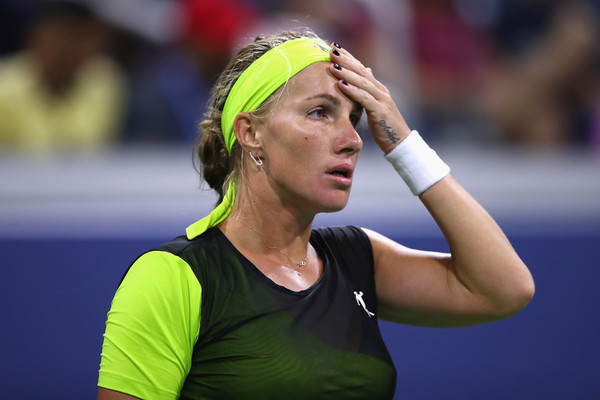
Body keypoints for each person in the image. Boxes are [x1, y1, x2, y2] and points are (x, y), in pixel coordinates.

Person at [98, 30, 534, 399]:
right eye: (320, 112)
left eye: (356, 118)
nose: (353, 139)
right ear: (250, 133)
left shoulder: (357, 258)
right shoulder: (172, 276)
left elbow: (504, 289)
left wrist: (404, 144)